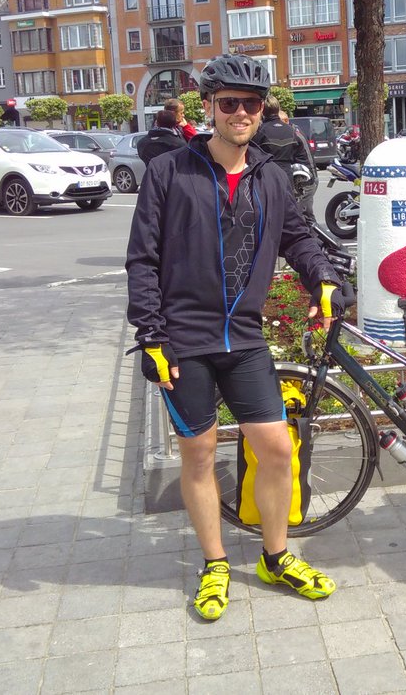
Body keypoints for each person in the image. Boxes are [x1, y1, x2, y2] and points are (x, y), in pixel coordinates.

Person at [126, 53, 344, 622]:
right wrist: (151, 334)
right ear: (210, 108)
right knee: (198, 453)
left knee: (275, 448)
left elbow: (299, 238)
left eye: (251, 104)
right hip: (184, 337)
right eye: (230, 104)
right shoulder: (170, 171)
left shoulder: (270, 175)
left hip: (243, 336)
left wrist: (323, 278)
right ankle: (216, 562)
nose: (242, 113)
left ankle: (275, 555)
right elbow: (143, 258)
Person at [252, 93, 318, 222]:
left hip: (267, 178)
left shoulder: (259, 132)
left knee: (270, 217)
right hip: (289, 178)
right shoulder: (292, 130)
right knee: (294, 217)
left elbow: (251, 157)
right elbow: (304, 156)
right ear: (278, 109)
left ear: (262, 109)